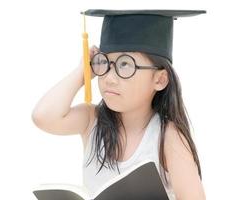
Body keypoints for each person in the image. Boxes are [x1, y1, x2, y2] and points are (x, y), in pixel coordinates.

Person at [32, 9, 206, 200]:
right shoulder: (92, 121)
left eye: (125, 65)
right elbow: (44, 116)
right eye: (104, 63)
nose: (109, 78)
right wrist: (82, 72)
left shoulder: (167, 137)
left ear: (160, 79)